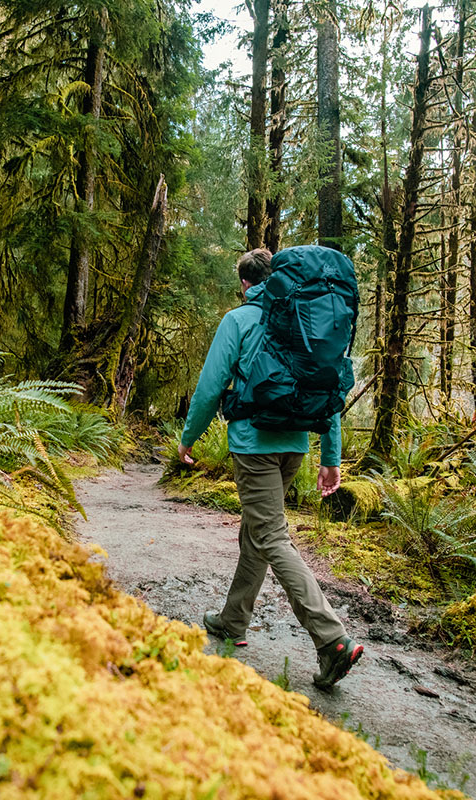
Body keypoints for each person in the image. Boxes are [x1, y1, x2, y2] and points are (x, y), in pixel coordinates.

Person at [177, 247, 363, 689]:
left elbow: (209, 387)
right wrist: (330, 457)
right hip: (295, 444)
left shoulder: (239, 320)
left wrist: (187, 438)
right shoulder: (304, 318)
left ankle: (331, 638)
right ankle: (232, 620)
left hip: (254, 443)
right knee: (258, 530)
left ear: (245, 282)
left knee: (271, 535)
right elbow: (328, 380)